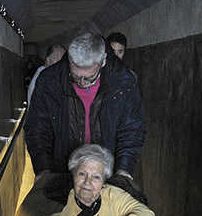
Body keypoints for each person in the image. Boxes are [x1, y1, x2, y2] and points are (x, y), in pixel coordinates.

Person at [25, 31, 144, 184]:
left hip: (107, 173)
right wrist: (43, 169)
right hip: (62, 170)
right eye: (75, 75)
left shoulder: (124, 81)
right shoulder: (49, 80)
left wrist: (124, 170)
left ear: (103, 62)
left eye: (88, 77)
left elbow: (132, 128)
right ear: (69, 60)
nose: (81, 82)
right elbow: (37, 127)